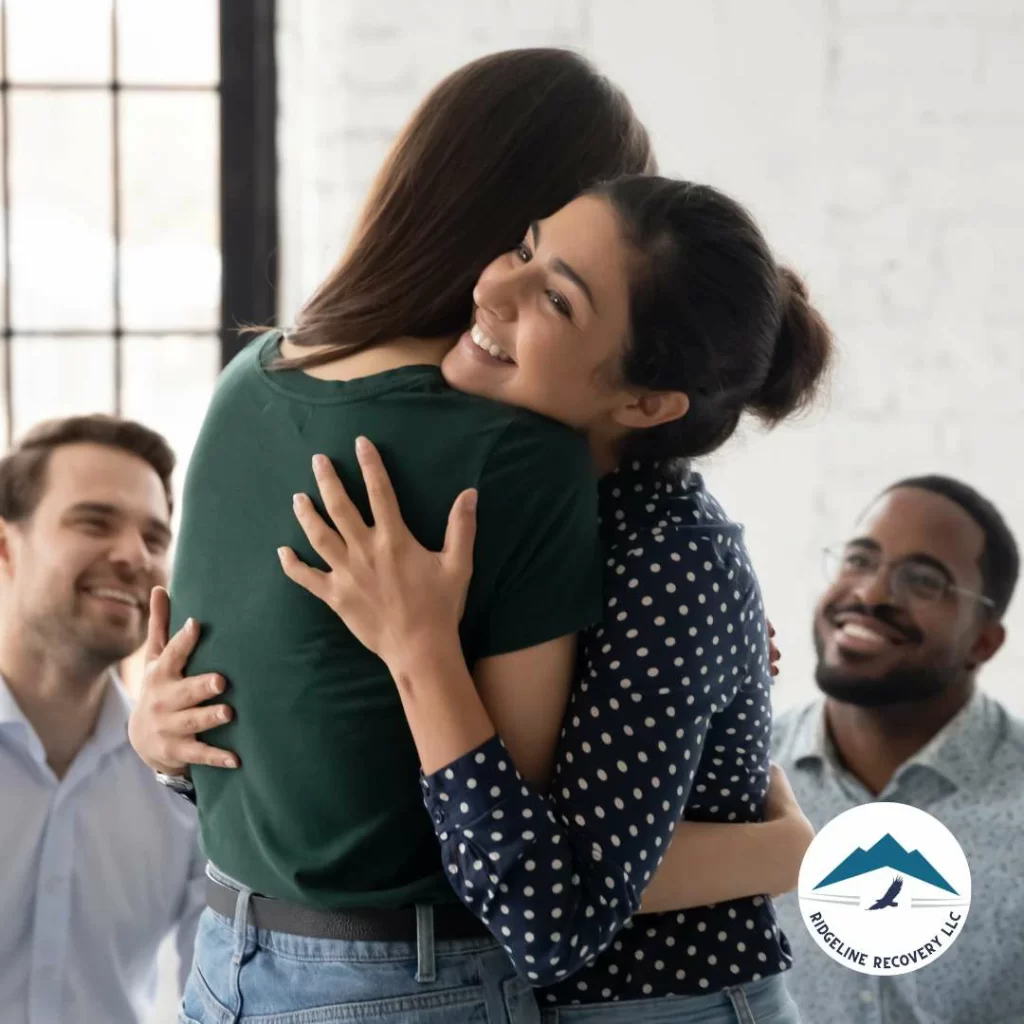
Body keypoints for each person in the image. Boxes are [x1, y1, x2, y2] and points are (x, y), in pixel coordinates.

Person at [135, 174, 831, 1022]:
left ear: (645, 402)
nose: (493, 287)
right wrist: (173, 743)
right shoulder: (523, 508)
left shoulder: (672, 559)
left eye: (558, 301)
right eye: (525, 248)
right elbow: (391, 780)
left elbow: (551, 915)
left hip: (671, 1003)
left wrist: (421, 650)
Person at [771, 475, 1024, 1024]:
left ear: (983, 641)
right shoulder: (738, 775)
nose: (871, 594)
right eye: (860, 560)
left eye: (924, 582)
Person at [0, 415, 204, 1024]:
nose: (135, 557)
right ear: (6, 548)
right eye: (94, 522)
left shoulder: (187, 783)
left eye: (155, 538)